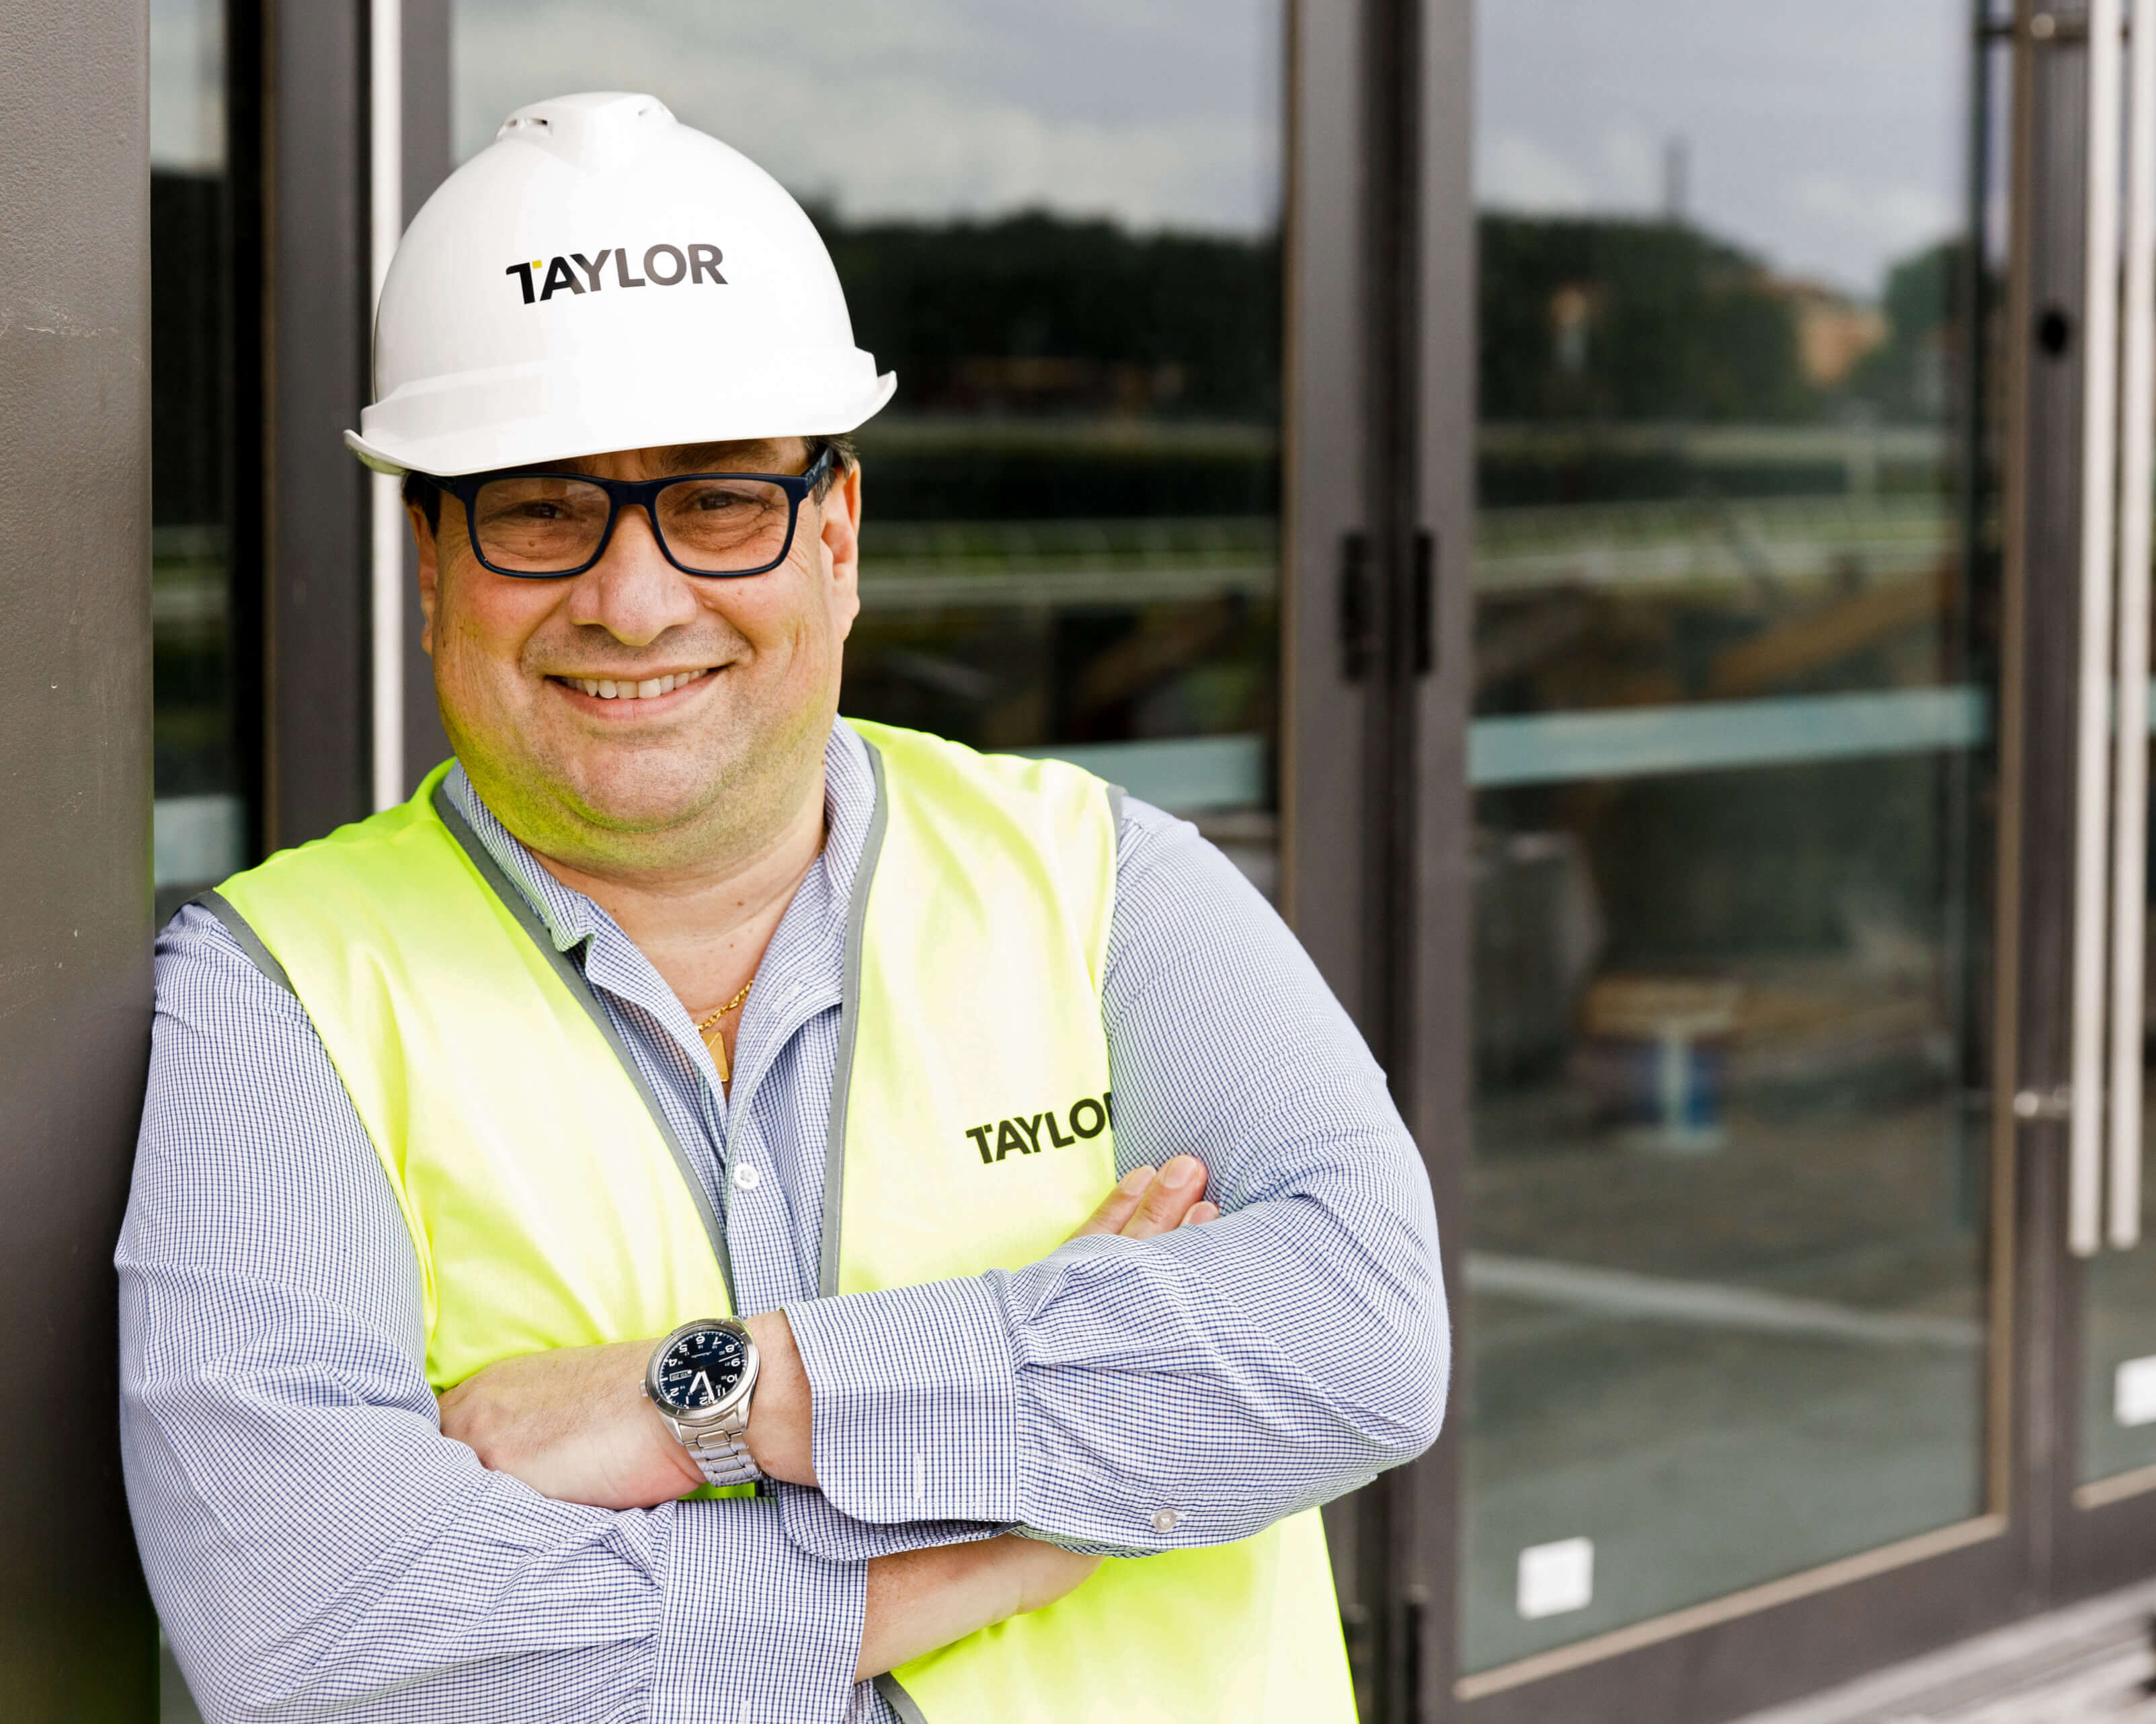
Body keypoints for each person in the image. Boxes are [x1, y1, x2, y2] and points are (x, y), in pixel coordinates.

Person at [119, 91, 1447, 1724]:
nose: (632, 597)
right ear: (432, 561)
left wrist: (719, 1403)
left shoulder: (1103, 880)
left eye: (718, 499)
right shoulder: (278, 992)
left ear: (836, 533)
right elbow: (326, 1638)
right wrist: (981, 1543)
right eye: (542, 507)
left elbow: (1358, 1339)